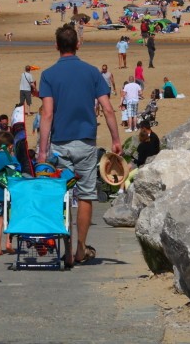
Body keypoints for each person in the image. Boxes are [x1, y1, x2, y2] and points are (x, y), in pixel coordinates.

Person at [38, 24, 121, 265]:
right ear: (78, 44)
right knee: (85, 195)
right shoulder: (92, 72)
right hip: (85, 143)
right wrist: (116, 139)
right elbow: (107, 108)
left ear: (56, 46)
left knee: (62, 195)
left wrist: (42, 150)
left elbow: (47, 114)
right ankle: (81, 248)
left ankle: (66, 249)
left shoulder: (49, 75)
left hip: (60, 144)